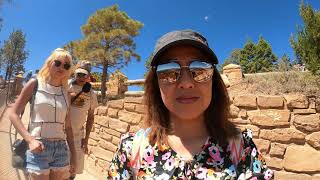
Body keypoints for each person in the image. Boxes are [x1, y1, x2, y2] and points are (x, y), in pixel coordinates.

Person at [108, 30, 274, 179]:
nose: (186, 83)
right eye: (169, 72)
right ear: (156, 84)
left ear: (213, 82)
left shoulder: (242, 148)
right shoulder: (130, 150)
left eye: (200, 69)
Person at [8, 48, 76, 180]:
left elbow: (68, 127)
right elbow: (13, 113)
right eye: (58, 63)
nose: (61, 67)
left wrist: (74, 155)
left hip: (61, 148)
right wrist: (30, 140)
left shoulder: (66, 93)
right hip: (38, 146)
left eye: (66, 65)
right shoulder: (35, 84)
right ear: (49, 63)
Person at [68, 61, 98, 180]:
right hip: (61, 134)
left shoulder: (91, 94)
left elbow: (91, 117)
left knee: (72, 170)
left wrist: (86, 140)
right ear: (74, 74)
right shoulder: (66, 85)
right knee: (58, 168)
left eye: (84, 75)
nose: (81, 77)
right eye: (78, 74)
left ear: (88, 76)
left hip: (77, 136)